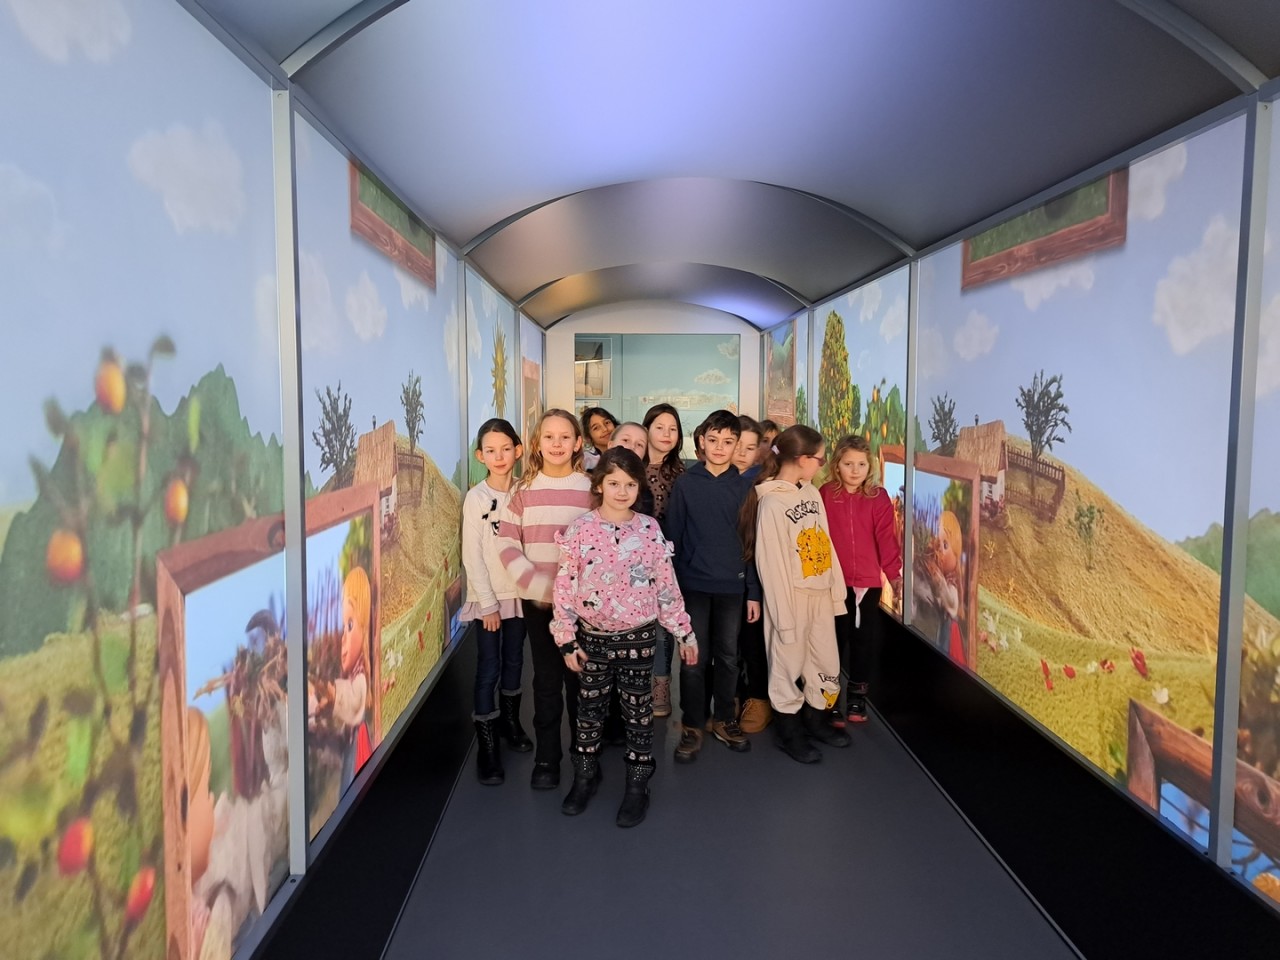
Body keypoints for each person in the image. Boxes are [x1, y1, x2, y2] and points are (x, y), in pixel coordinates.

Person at [552, 448, 697, 827]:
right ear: (599, 484)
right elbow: (565, 587)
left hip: (638, 638)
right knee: (589, 712)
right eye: (613, 483)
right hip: (592, 639)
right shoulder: (580, 529)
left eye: (630, 484)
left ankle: (637, 785)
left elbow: (666, 587)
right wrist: (566, 638)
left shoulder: (649, 530)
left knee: (638, 713)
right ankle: (585, 776)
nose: (621, 491)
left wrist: (684, 633)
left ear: (639, 487)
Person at [740, 425, 850, 763]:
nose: (821, 466)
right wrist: (783, 617)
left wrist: (836, 593)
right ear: (802, 459)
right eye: (820, 459)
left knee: (826, 662)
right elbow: (771, 565)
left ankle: (816, 719)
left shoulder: (812, 493)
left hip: (820, 595)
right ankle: (789, 732)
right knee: (787, 665)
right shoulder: (771, 502)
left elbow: (826, 544)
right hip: (791, 599)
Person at [496, 409, 594, 789]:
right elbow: (507, 545)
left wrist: (578, 591)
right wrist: (540, 587)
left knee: (581, 682)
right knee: (547, 681)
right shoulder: (521, 492)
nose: (557, 444)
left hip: (583, 606)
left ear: (578, 443)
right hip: (539, 605)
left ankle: (584, 758)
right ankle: (547, 759)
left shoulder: (591, 489)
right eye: (549, 437)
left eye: (565, 437)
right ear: (537, 444)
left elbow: (601, 546)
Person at [665, 409, 760, 762]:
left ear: (736, 446)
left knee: (729, 656)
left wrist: (753, 592)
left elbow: (751, 543)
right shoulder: (686, 484)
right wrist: (671, 591)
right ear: (701, 442)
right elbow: (673, 538)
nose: (720, 447)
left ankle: (723, 718)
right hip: (692, 586)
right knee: (693, 657)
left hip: (733, 588)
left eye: (728, 441)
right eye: (713, 440)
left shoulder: (746, 488)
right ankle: (692, 724)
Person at [460, 418, 533, 785]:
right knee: (489, 666)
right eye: (491, 450)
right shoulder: (476, 498)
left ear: (518, 451)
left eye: (506, 448)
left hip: (520, 595)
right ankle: (487, 747)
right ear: (480, 456)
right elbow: (472, 555)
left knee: (515, 660)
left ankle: (510, 723)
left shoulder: (526, 491)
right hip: (489, 599)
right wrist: (487, 604)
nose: (499, 456)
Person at [820, 435, 903, 725]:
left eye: (861, 464)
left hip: (868, 585)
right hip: (834, 583)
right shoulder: (826, 494)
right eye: (848, 464)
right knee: (833, 641)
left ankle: (857, 698)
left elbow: (886, 539)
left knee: (862, 642)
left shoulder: (878, 497)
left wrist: (894, 575)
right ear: (836, 465)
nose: (855, 470)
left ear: (870, 467)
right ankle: (829, 699)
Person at [642, 403, 685, 717]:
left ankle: (661, 686)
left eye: (673, 429)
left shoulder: (682, 474)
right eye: (660, 427)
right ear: (646, 429)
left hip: (669, 561)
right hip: (630, 561)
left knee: (662, 626)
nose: (667, 434)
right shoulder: (631, 468)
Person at [732, 416, 771, 733]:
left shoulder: (762, 486)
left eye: (750, 447)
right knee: (727, 644)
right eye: (737, 445)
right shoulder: (718, 480)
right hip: (724, 578)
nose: (742, 453)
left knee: (753, 641)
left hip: (754, 578)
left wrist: (754, 589)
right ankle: (732, 697)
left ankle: (758, 699)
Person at [609, 421, 654, 515]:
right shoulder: (589, 481)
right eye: (625, 440)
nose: (632, 447)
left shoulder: (645, 496)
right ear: (610, 445)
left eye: (639, 445)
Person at [579, 406, 617, 471]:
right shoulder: (587, 462)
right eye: (596, 428)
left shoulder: (629, 451)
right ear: (588, 437)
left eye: (607, 423)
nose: (605, 429)